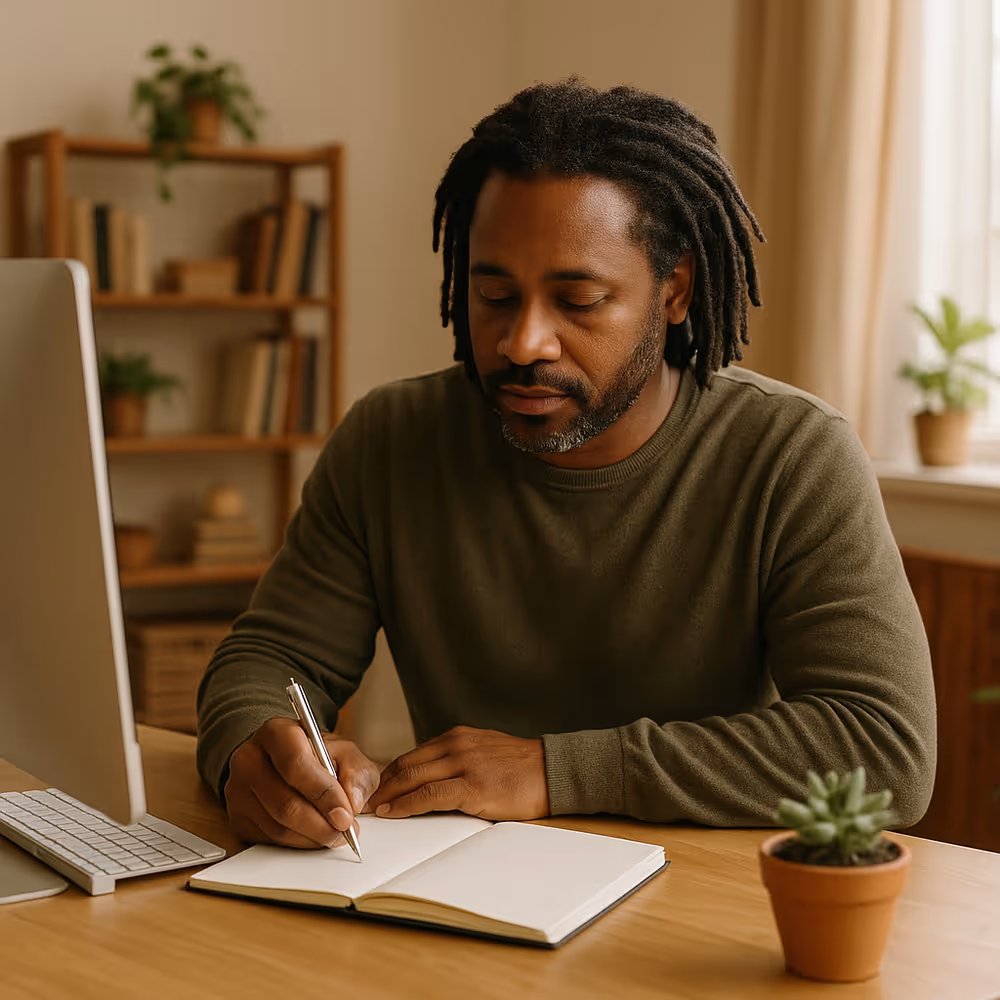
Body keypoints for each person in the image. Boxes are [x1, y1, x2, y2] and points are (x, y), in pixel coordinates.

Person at [196, 80, 936, 851]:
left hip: (694, 905)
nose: (524, 342)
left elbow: (884, 747)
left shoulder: (792, 455)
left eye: (577, 300)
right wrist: (258, 743)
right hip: (454, 891)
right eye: (492, 295)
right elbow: (269, 656)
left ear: (674, 290)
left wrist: (556, 771)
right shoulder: (391, 438)